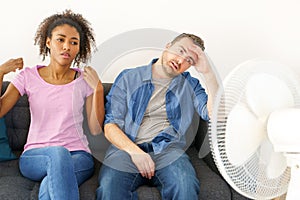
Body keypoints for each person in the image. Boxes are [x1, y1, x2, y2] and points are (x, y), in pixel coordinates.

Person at [96, 33, 219, 199]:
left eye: (189, 60)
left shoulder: (190, 85)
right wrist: (135, 152)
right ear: (168, 46)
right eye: (180, 51)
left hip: (168, 151)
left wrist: (208, 73)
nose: (181, 60)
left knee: (184, 184)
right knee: (109, 187)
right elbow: (110, 126)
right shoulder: (128, 77)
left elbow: (214, 113)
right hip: (126, 150)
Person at [0, 9, 104, 200]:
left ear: (79, 49)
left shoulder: (84, 81)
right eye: (61, 39)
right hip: (35, 156)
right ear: (48, 42)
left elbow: (96, 129)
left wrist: (97, 89)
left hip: (79, 156)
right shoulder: (27, 77)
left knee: (52, 183)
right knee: (58, 154)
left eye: (74, 42)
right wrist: (0, 73)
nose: (67, 47)